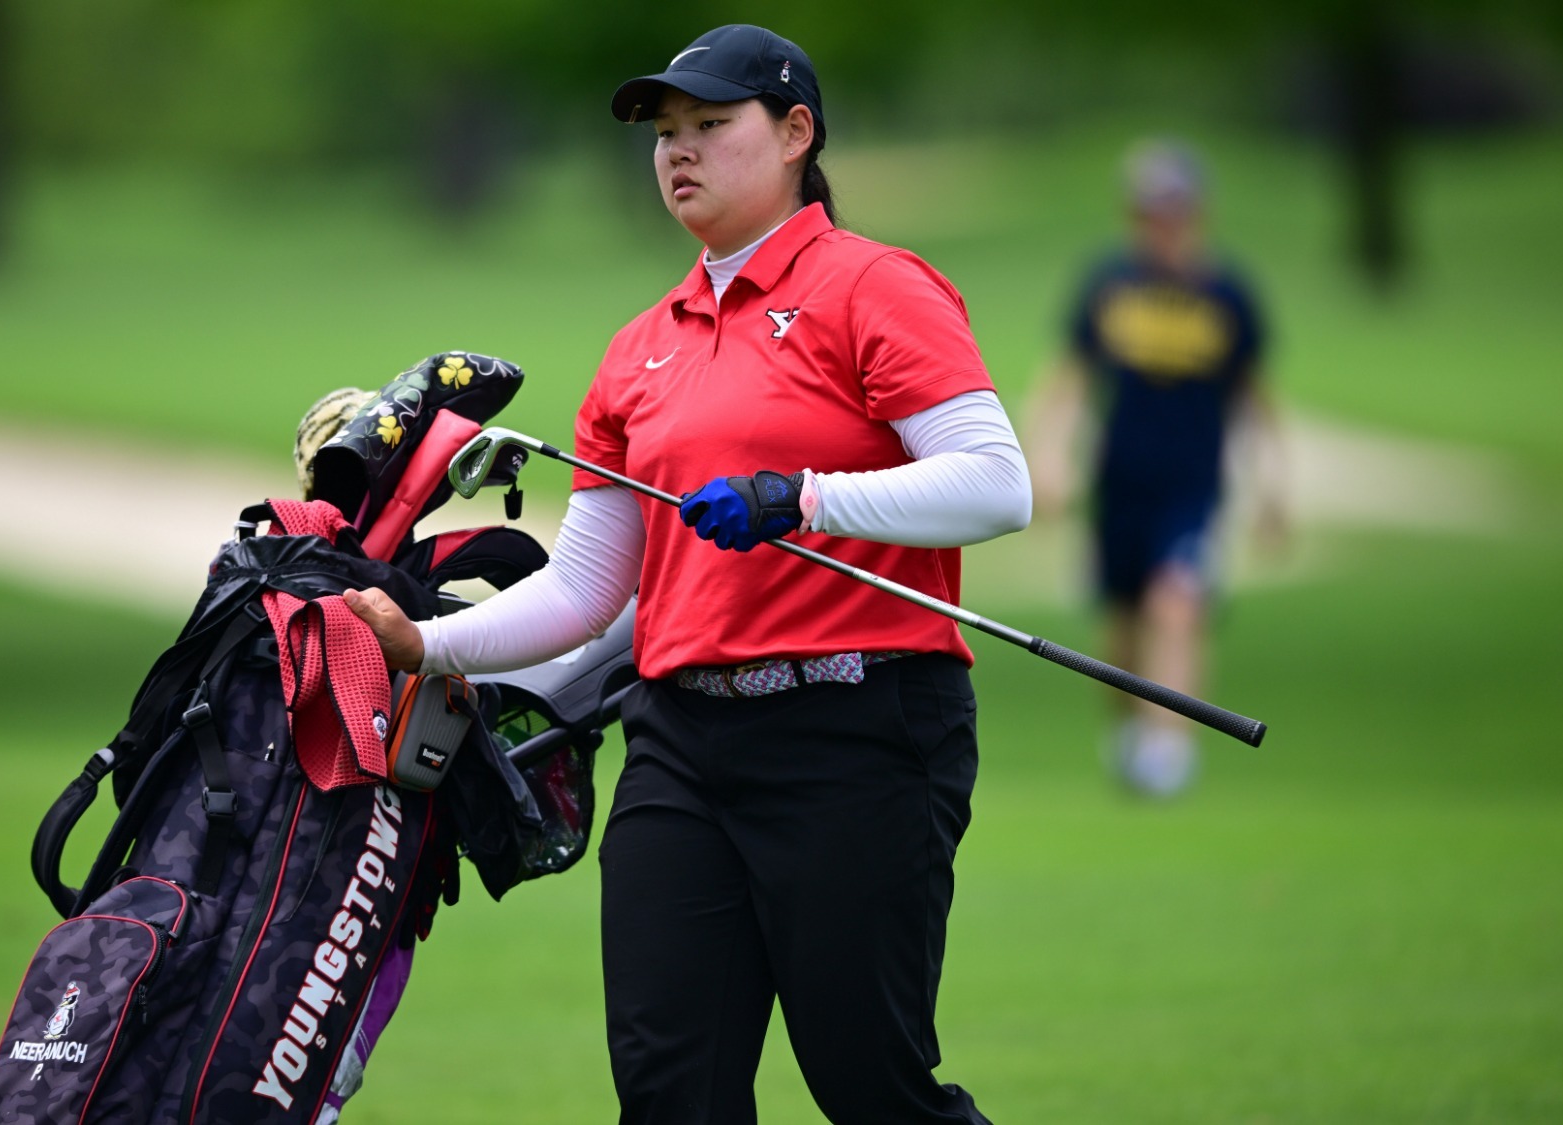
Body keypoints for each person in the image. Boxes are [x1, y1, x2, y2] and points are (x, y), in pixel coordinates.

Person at [342, 25, 1030, 1123]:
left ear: (796, 132)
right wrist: (426, 644)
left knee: (871, 1085)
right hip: (680, 749)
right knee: (671, 1094)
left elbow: (997, 486)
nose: (678, 153)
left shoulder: (875, 288)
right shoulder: (637, 348)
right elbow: (584, 591)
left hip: (859, 732)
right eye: (665, 133)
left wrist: (800, 498)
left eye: (711, 125)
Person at [1028, 141, 1286, 798]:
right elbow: (1069, 378)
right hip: (1121, 485)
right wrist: (1048, 455)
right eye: (1149, 210)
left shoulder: (1227, 294)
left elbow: (1256, 398)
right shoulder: (1111, 285)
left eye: (1172, 209)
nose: (1160, 223)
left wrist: (1273, 490)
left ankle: (1170, 749)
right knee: (1120, 626)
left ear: (1196, 211)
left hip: (1192, 486)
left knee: (1176, 603)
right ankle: (1131, 735)